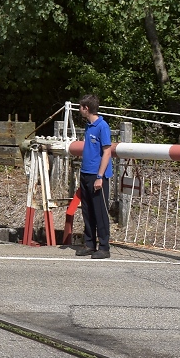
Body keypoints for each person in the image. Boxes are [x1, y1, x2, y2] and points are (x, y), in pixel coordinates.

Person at [76, 94, 113, 259]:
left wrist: (100, 176)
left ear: (86, 108)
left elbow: (107, 152)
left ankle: (104, 247)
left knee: (100, 212)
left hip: (96, 175)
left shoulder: (102, 126)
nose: (79, 110)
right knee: (88, 210)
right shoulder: (88, 126)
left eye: (80, 107)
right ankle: (89, 243)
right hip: (85, 173)